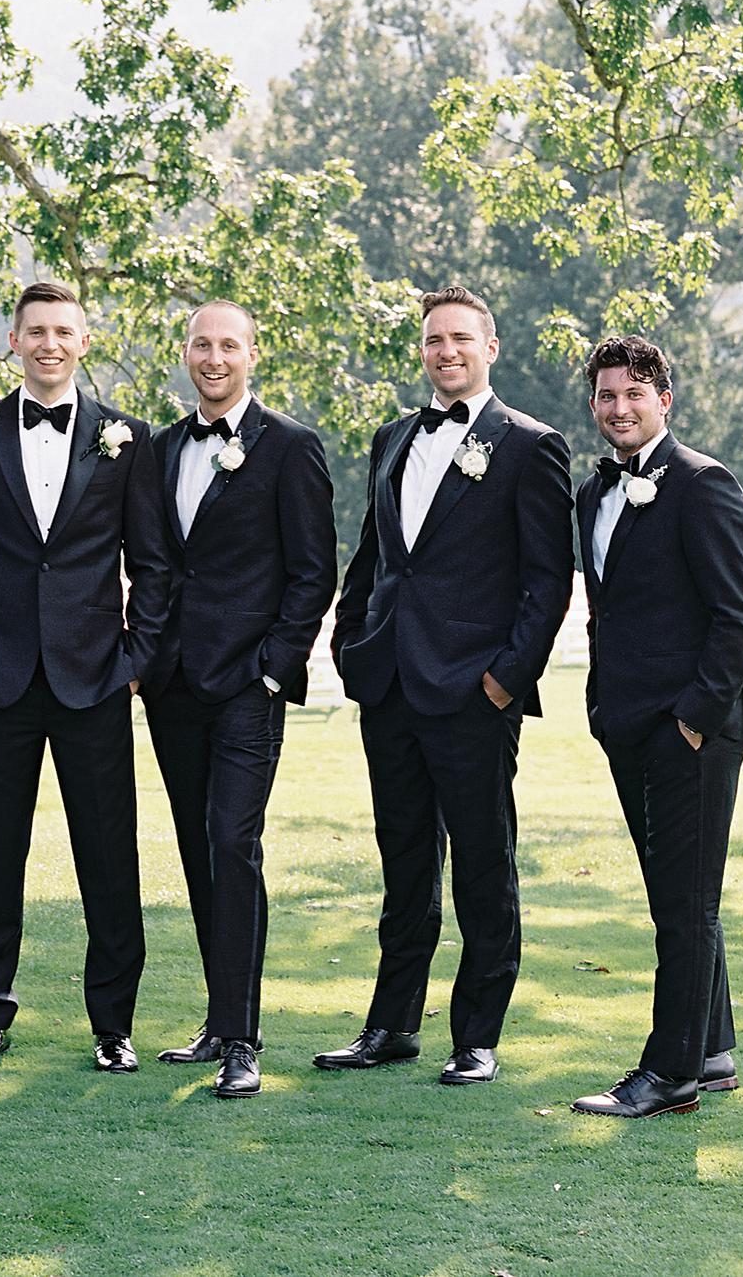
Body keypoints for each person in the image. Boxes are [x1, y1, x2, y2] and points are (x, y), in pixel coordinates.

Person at [322, 284, 573, 1086]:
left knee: (481, 864)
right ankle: (390, 1026)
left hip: (473, 691)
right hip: (389, 683)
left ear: (489, 348)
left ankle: (476, 1037)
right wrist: (349, 643)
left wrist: (505, 680)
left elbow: (547, 580)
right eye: (433, 340)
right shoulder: (391, 437)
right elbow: (374, 555)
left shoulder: (530, 445)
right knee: (402, 864)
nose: (446, 351)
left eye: (461, 338)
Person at [0, 280, 171, 1072]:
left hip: (94, 679)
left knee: (108, 856)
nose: (48, 344)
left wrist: (136, 659)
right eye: (34, 331)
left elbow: (152, 562)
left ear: (83, 342)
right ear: (13, 342)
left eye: (62, 331)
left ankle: (113, 1026)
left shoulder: (126, 438)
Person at [143, 300, 336, 1099]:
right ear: (184, 353)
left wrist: (271, 666)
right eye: (200, 345)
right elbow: (157, 565)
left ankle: (244, 1041)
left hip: (245, 688)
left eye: (228, 346)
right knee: (197, 853)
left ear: (252, 354)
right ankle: (219, 1018)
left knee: (233, 844)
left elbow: (313, 571)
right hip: (170, 685)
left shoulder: (290, 448)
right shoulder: (156, 450)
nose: (213, 358)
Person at [570, 334, 743, 1119]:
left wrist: (691, 718)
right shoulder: (593, 494)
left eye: (634, 394)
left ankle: (668, 1075)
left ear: (663, 401)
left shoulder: (702, 484)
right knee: (674, 898)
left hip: (692, 730)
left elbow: (736, 617)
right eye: (607, 396)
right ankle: (710, 1047)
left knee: (684, 908)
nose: (619, 408)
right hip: (625, 723)